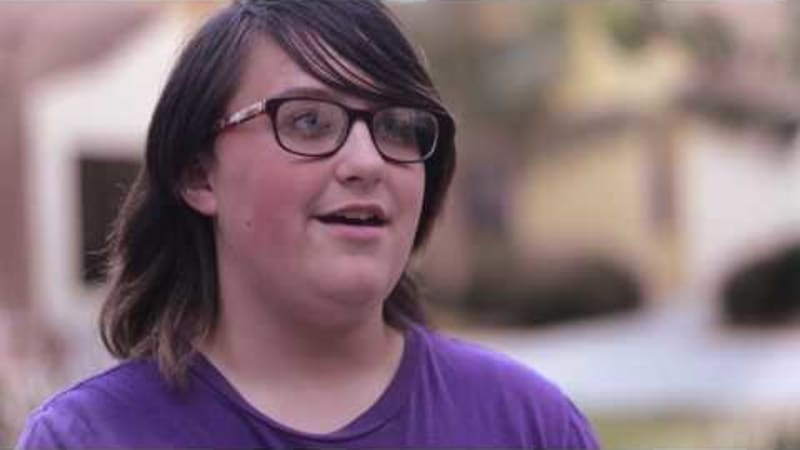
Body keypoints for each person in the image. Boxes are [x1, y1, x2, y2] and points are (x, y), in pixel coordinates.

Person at [17, 0, 600, 448]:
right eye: (310, 121)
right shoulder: (91, 437)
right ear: (198, 174)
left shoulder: (528, 425)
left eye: (398, 127)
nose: (368, 161)